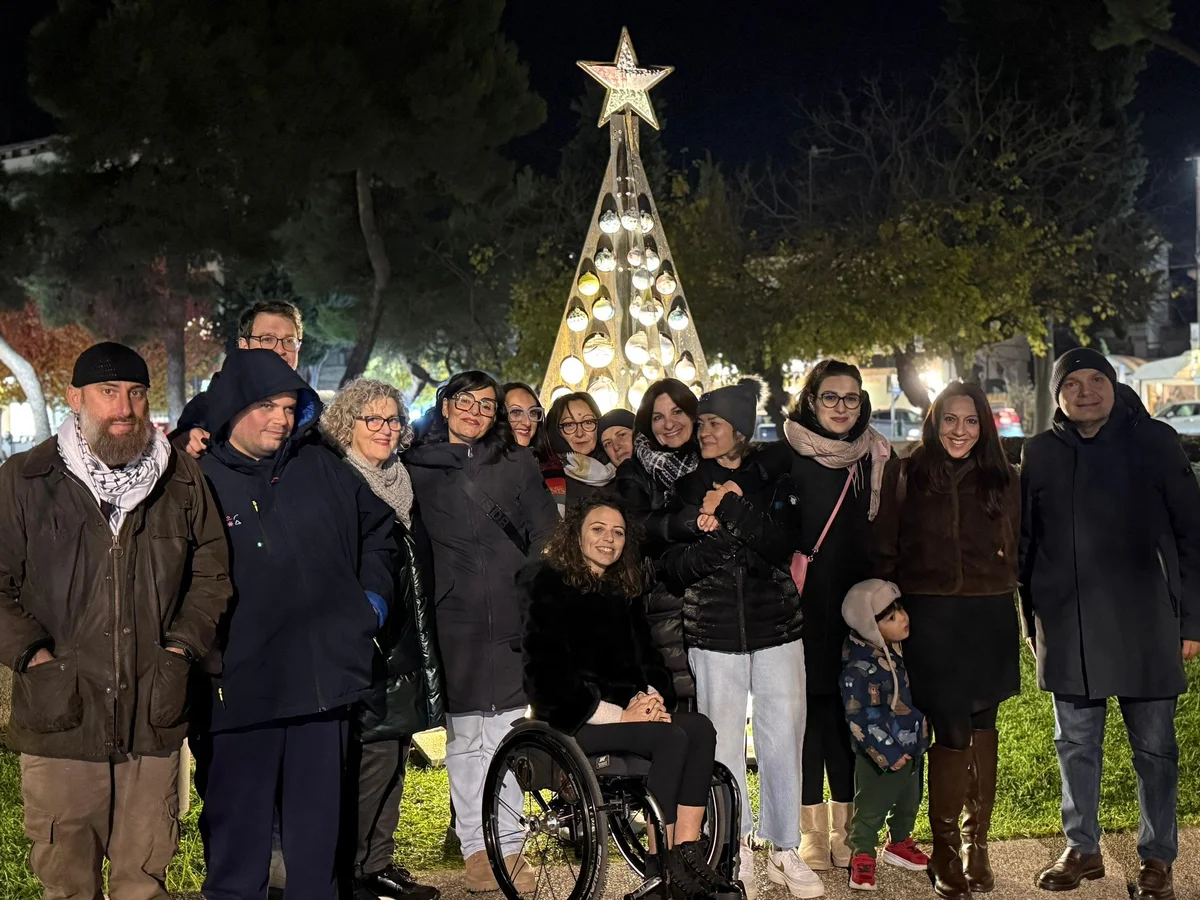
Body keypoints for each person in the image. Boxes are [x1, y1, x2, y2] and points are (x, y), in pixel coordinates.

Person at [0, 342, 231, 899]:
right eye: (108, 392)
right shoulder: (25, 480)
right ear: (75, 398)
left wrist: (179, 650)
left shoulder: (181, 480)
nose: (124, 408)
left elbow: (212, 576)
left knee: (145, 875)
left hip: (153, 711)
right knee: (67, 878)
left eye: (135, 392)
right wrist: (36, 658)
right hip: (61, 716)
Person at [195, 349, 397, 900]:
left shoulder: (321, 465)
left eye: (288, 406)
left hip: (322, 688)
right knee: (237, 855)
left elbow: (379, 530)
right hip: (240, 692)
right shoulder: (198, 481)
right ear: (233, 407)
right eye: (266, 405)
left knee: (317, 855)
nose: (281, 419)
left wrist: (372, 603)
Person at [1020, 348, 1200, 900]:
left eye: (1095, 379)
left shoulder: (1155, 442)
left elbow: (1194, 535)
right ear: (1057, 395)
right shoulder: (1041, 453)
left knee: (1154, 749)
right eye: (1071, 383)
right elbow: (1026, 545)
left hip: (1148, 621)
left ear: (1114, 385)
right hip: (1068, 625)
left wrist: (1192, 619)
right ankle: (1082, 846)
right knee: (1074, 745)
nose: (1084, 391)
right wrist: (1032, 623)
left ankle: (1157, 856)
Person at [521, 497, 738, 899]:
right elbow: (546, 678)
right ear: (577, 534)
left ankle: (687, 855)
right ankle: (660, 868)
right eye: (598, 529)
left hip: (630, 713)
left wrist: (652, 697)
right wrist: (619, 715)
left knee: (700, 729)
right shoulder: (549, 585)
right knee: (672, 738)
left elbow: (648, 658)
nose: (609, 539)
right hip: (577, 721)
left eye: (618, 532)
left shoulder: (621, 588)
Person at [659, 380, 823, 900]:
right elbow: (670, 564)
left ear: (741, 432)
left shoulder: (774, 479)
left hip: (777, 627)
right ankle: (733, 851)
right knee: (723, 745)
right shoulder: (686, 487)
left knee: (782, 737)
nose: (701, 432)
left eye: (713, 424)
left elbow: (781, 544)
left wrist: (730, 508)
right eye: (701, 423)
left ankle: (783, 847)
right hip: (713, 631)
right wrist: (710, 546)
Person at [404, 370, 559, 892]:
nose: (475, 411)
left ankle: (508, 847)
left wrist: (531, 588)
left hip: (514, 620)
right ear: (445, 404)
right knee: (466, 738)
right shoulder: (416, 466)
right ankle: (476, 849)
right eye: (464, 401)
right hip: (454, 623)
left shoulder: (516, 463)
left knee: (508, 735)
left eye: (487, 405)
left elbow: (545, 530)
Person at [872, 381, 1020, 899]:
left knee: (984, 725)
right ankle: (946, 848)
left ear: (984, 426)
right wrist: (891, 613)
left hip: (992, 615)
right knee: (952, 729)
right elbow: (885, 548)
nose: (960, 430)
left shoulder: (1004, 478)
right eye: (950, 419)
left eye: (971, 421)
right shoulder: (907, 473)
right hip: (932, 618)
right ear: (934, 422)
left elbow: (1020, 544)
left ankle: (980, 845)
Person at [321, 379, 444, 900]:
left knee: (391, 755)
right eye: (372, 419)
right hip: (363, 644)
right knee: (367, 761)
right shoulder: (337, 481)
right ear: (347, 424)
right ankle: (352, 872)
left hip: (403, 643)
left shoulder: (401, 481)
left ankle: (377, 863)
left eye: (393, 419)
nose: (386, 429)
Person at [772, 360, 892, 872]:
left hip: (855, 612)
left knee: (849, 721)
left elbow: (883, 537)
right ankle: (811, 834)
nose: (842, 408)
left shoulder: (875, 456)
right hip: (798, 610)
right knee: (806, 723)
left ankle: (849, 830)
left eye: (852, 398)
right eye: (830, 397)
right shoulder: (784, 456)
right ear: (811, 400)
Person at [615, 379, 702, 714]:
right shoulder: (634, 470)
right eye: (658, 417)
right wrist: (684, 522)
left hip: (711, 598)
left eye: (677, 411)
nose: (669, 423)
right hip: (663, 598)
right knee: (676, 694)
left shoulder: (710, 460)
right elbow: (634, 524)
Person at [839, 580, 931, 892]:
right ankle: (863, 854)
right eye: (890, 618)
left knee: (909, 801)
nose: (903, 618)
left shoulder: (899, 651)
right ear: (870, 625)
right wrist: (888, 752)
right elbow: (861, 716)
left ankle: (899, 842)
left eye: (900, 610)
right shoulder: (859, 667)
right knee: (871, 809)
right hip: (879, 756)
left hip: (912, 747)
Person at [174, 299, 304, 459]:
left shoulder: (311, 411)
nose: (280, 350)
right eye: (268, 339)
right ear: (244, 345)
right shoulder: (205, 409)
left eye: (289, 341)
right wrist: (188, 438)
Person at [545, 391, 617, 510]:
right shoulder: (545, 473)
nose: (580, 433)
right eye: (569, 424)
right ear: (556, 431)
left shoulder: (617, 467)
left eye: (588, 422)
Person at [502, 382, 565, 508]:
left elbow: (555, 524)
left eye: (533, 413)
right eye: (516, 412)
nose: (527, 422)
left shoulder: (551, 466)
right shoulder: (479, 463)